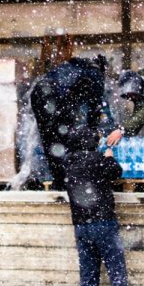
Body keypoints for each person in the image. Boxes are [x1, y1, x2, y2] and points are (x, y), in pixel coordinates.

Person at [62, 146, 144, 286]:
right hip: (104, 224)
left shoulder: (69, 163)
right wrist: (109, 157)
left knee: (88, 278)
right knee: (117, 274)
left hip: (81, 226)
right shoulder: (98, 160)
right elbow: (116, 172)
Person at [27, 54, 114, 192]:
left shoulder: (72, 67)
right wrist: (94, 133)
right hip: (53, 99)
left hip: (40, 95)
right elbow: (95, 107)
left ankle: (58, 181)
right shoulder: (95, 74)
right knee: (64, 141)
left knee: (50, 141)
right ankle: (66, 182)